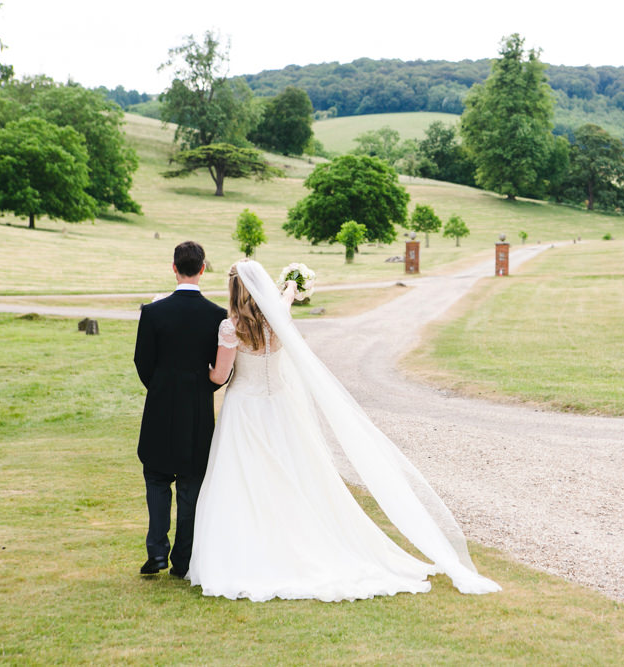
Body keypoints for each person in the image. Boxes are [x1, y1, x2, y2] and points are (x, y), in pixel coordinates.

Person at [187, 259, 500, 601]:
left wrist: (198, 371)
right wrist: (291, 286)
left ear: (233, 290)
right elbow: (285, 302)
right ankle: (296, 539)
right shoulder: (276, 318)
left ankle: (254, 546)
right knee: (293, 474)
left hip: (245, 410)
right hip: (279, 405)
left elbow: (219, 376)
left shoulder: (230, 328)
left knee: (244, 478)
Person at [133, 241, 227, 577]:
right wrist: (202, 388)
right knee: (191, 485)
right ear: (203, 268)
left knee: (157, 479)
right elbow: (219, 373)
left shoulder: (153, 312)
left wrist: (160, 389)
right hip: (198, 411)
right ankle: (183, 560)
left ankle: (157, 552)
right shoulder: (217, 316)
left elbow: (142, 361)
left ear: (174, 268)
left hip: (159, 407)